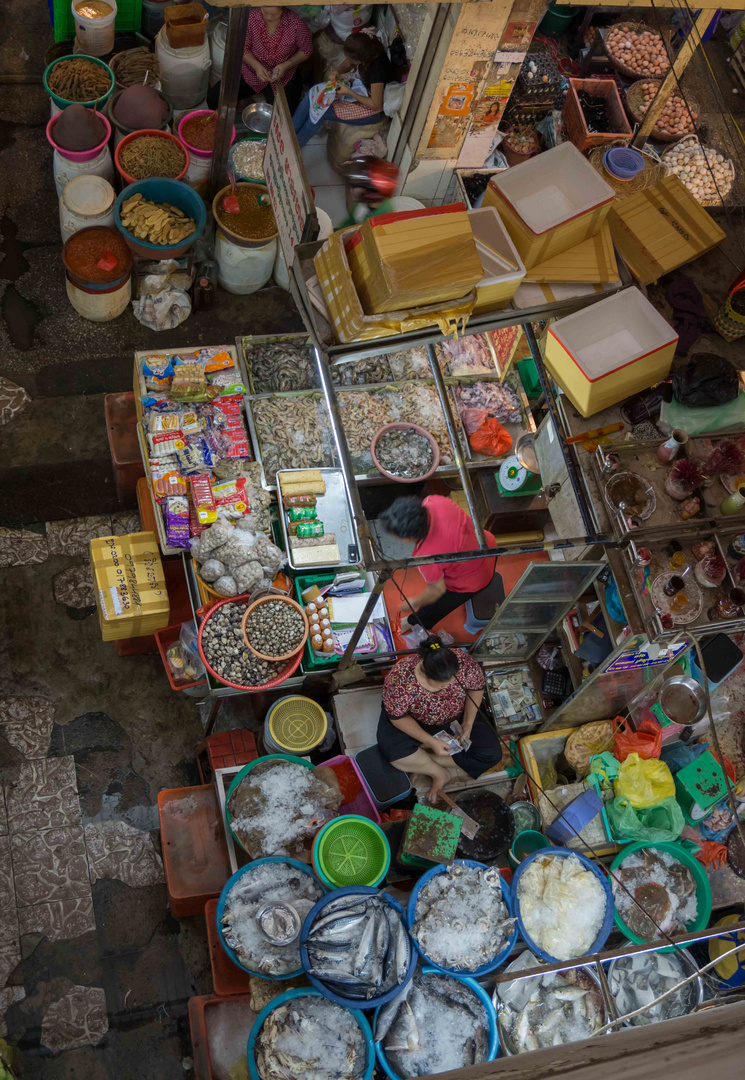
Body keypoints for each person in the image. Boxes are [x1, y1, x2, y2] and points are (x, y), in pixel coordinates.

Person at [378, 635, 502, 803]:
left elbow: (476, 688)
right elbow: (398, 718)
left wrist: (468, 723)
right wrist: (431, 742)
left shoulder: (463, 662)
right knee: (393, 753)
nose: (446, 688)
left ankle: (419, 763)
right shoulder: (400, 678)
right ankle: (438, 772)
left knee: (492, 754)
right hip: (416, 720)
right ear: (424, 674)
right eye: (441, 685)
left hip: (455, 716)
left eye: (450, 683)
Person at [378, 494, 497, 633]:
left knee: (437, 604)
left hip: (473, 579)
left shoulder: (427, 556)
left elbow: (437, 590)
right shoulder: (435, 501)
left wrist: (414, 601)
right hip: (488, 546)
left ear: (410, 537)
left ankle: (411, 622)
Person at [292, 30, 396, 148]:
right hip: (361, 88)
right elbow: (349, 62)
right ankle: (290, 132)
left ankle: (295, 145)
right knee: (313, 93)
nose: (350, 62)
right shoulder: (368, 46)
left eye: (353, 60)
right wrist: (338, 70)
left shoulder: (377, 69)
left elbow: (376, 104)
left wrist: (349, 92)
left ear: (361, 59)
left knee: (320, 111)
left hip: (373, 110)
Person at [207, 6, 311, 114]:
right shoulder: (252, 19)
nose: (268, 17)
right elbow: (242, 48)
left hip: (283, 74)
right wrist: (256, 65)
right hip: (251, 71)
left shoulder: (296, 23)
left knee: (283, 115)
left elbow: (306, 51)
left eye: (273, 15)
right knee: (214, 97)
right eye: (265, 12)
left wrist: (286, 65)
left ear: (283, 9)